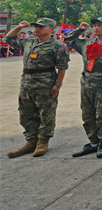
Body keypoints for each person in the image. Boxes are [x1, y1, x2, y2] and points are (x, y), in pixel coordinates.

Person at [5, 18, 70, 158]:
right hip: (27, 84)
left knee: (46, 114)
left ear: (51, 29)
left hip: (45, 85)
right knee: (26, 114)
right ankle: (31, 141)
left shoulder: (58, 46)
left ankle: (43, 141)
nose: (37, 29)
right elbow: (8, 38)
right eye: (36, 26)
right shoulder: (29, 42)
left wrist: (58, 85)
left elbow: (62, 67)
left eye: (41, 26)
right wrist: (19, 27)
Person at [66, 17, 102, 159]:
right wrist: (79, 30)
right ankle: (93, 142)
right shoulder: (87, 42)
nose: (96, 28)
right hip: (86, 82)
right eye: (95, 26)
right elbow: (68, 40)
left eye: (100, 25)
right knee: (87, 114)